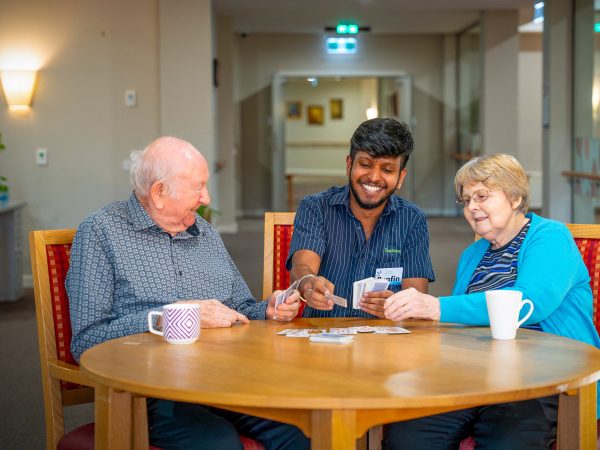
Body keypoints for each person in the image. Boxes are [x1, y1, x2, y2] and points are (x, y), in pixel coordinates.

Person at [67, 136, 308, 450]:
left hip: (224, 378)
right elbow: (87, 340)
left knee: (301, 429)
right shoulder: (102, 232)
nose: (206, 197)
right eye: (198, 187)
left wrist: (268, 310)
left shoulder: (204, 232)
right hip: (150, 390)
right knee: (219, 443)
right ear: (159, 192)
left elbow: (239, 305)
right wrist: (171, 316)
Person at [382, 153, 600, 449]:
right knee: (408, 435)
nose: (472, 207)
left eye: (482, 196)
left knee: (508, 442)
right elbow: (458, 323)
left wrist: (435, 307)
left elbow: (530, 302)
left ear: (513, 197)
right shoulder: (472, 255)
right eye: (466, 200)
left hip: (544, 378)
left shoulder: (550, 237)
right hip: (476, 375)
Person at [286, 117, 435, 318]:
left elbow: (416, 295)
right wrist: (308, 283)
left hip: (387, 341)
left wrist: (396, 307)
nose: (374, 177)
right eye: (365, 164)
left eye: (387, 169)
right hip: (324, 337)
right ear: (349, 165)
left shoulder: (412, 219)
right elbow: (301, 266)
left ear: (400, 177)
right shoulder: (316, 207)